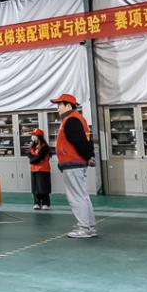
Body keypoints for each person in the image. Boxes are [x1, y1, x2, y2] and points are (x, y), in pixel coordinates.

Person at [51, 93, 97, 238]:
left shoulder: (71, 120)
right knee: (82, 196)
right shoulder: (76, 119)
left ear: (68, 105)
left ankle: (84, 228)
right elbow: (86, 141)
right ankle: (89, 227)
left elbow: (80, 142)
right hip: (76, 163)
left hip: (73, 164)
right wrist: (90, 156)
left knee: (76, 197)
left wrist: (88, 156)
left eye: (60, 105)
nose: (58, 108)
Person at [27, 128, 52, 210]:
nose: (32, 137)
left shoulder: (45, 147)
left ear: (39, 136)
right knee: (35, 188)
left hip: (43, 169)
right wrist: (34, 159)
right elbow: (30, 156)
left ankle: (45, 203)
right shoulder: (33, 146)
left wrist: (33, 160)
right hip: (34, 170)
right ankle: (36, 202)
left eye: (34, 135)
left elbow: (39, 157)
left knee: (43, 187)